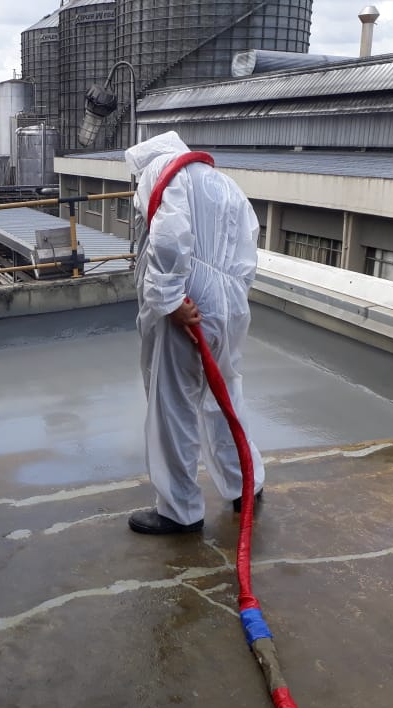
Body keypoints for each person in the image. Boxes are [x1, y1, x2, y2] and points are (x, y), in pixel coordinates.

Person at [125, 131, 265, 535]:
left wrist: (169, 300)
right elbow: (247, 248)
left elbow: (169, 237)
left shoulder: (162, 170)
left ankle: (179, 509)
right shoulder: (225, 183)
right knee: (224, 395)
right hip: (230, 300)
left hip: (189, 298)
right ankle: (245, 485)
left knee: (173, 403)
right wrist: (230, 301)